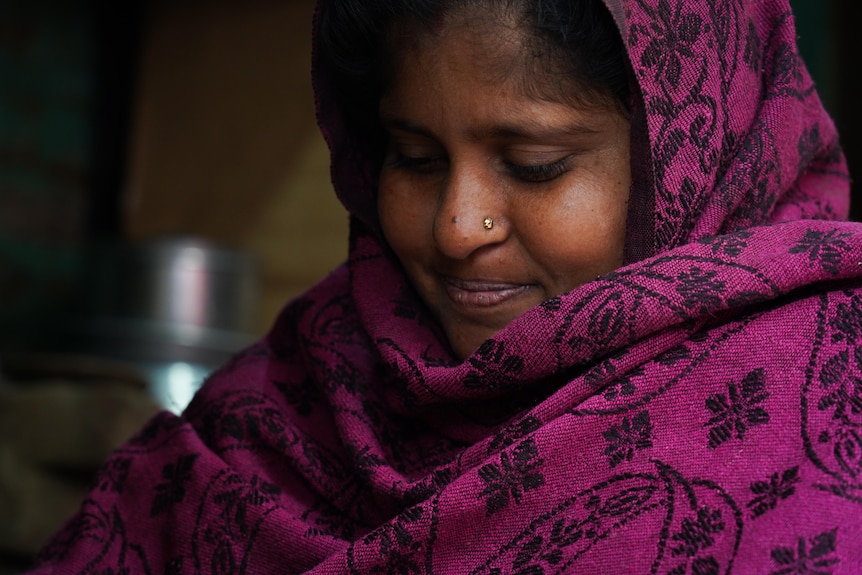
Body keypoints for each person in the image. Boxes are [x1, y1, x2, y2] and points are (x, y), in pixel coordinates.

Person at [26, 0, 862, 572]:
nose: (459, 227)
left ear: (692, 154)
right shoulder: (287, 404)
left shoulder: (816, 406)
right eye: (415, 159)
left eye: (535, 167)